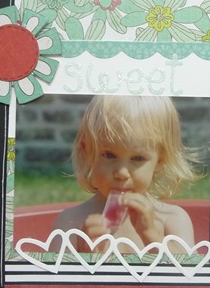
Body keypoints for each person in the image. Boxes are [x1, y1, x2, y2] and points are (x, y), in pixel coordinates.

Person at [53, 95, 200, 254]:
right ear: (87, 152)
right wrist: (85, 253)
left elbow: (189, 268)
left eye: (137, 158)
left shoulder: (171, 219)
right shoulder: (71, 222)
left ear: (160, 161)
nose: (122, 173)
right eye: (109, 155)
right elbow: (53, 270)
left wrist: (152, 237)